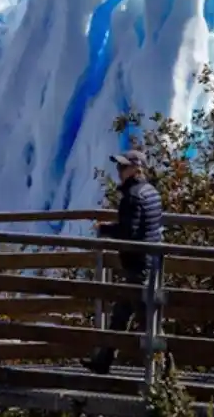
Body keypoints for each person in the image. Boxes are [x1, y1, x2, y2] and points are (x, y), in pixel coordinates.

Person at [82, 149, 163, 375]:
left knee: (148, 322)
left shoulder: (133, 197)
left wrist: (105, 229)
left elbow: (130, 232)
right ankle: (103, 361)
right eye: (119, 166)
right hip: (150, 263)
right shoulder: (152, 192)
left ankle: (167, 374)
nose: (119, 170)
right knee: (121, 315)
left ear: (136, 168)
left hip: (137, 266)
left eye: (123, 166)